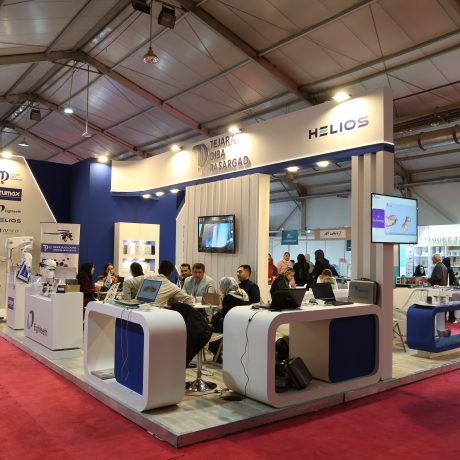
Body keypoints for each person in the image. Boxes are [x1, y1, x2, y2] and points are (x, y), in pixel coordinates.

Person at [210, 277, 250, 360]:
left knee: (216, 322)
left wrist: (215, 315)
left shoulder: (228, 297)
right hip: (243, 322)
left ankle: (216, 353)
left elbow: (225, 313)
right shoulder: (243, 293)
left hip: (231, 322)